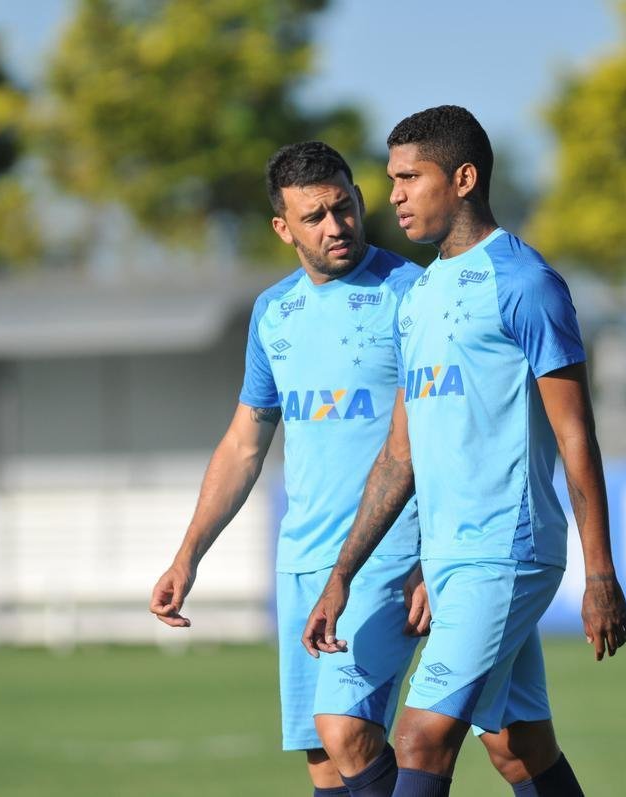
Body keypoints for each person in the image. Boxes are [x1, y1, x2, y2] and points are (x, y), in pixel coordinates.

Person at [302, 105, 626, 796]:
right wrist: (343, 572)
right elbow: (400, 455)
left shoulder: (525, 284)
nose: (391, 194)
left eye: (408, 177)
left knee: (422, 735)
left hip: (505, 549)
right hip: (452, 557)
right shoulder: (419, 296)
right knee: (519, 747)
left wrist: (600, 572)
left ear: (463, 178)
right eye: (391, 178)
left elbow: (577, 434)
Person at [150, 141, 430, 797]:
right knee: (322, 757)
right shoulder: (273, 312)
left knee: (346, 730)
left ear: (360, 201)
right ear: (283, 227)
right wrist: (188, 554)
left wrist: (432, 556)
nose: (336, 226)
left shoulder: (412, 294)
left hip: (384, 554)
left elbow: (445, 438)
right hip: (302, 557)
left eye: (344, 207)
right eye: (315, 217)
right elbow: (245, 442)